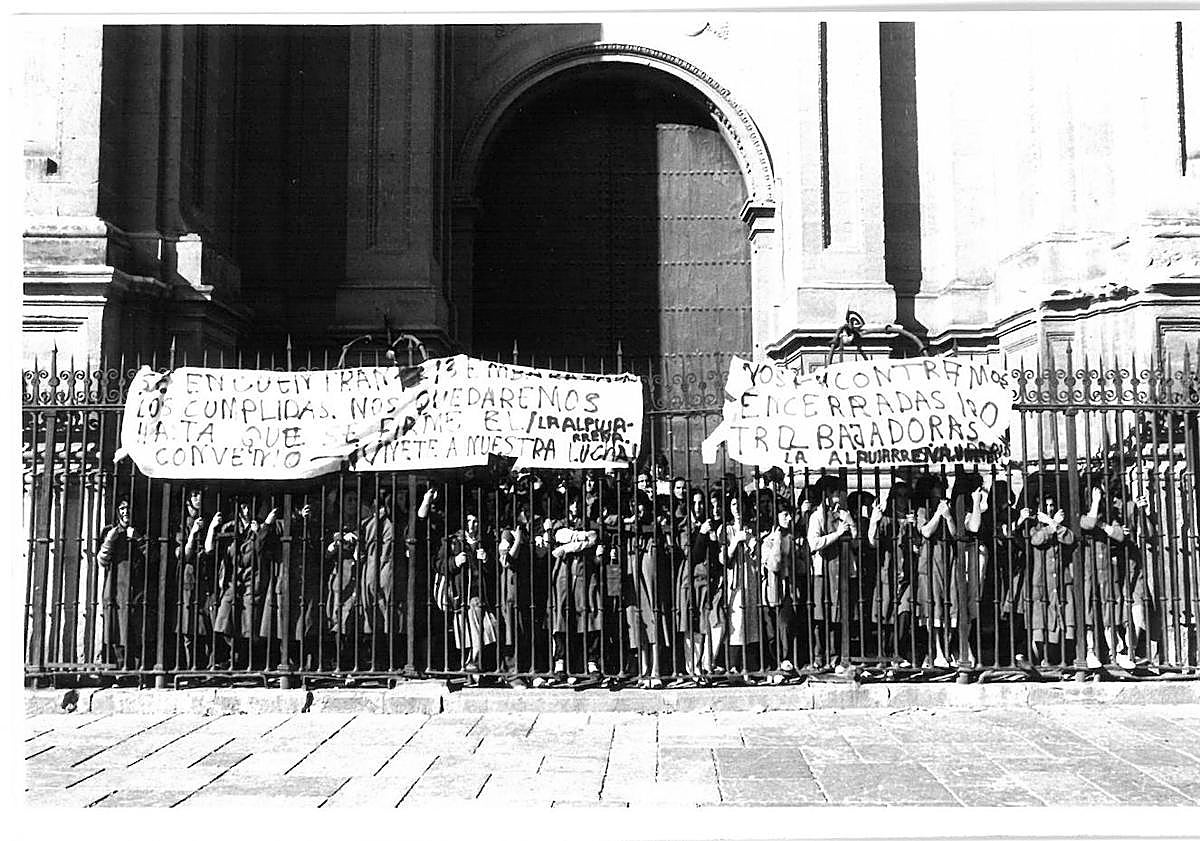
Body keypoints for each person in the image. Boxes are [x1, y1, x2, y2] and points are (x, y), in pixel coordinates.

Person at [209, 499, 275, 670]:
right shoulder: (230, 527)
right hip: (233, 580)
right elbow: (214, 550)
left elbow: (263, 553)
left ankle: (244, 662)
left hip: (252, 579)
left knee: (248, 622)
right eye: (244, 507)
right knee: (224, 617)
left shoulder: (261, 526)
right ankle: (230, 657)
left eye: (250, 507)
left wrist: (260, 532)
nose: (247, 511)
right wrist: (213, 529)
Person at [1021, 485, 1077, 667]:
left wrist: (1054, 524)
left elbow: (1070, 538)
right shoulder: (1032, 526)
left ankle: (1056, 660)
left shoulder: (1059, 525)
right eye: (1046, 506)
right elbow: (1036, 539)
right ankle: (1039, 660)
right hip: (1040, 582)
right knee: (1040, 622)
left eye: (1052, 505)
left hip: (1059, 582)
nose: (1050, 509)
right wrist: (1052, 526)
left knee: (1060, 620)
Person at [807, 475, 858, 672]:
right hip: (824, 571)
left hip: (843, 570)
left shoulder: (843, 515)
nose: (838, 497)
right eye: (835, 493)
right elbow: (814, 543)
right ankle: (820, 656)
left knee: (840, 614)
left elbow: (855, 543)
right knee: (822, 614)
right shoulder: (817, 516)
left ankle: (837, 656)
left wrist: (850, 523)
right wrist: (837, 534)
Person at [438, 511, 498, 675]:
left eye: (475, 521)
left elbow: (494, 569)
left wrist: (486, 559)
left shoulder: (484, 541)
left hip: (483, 594)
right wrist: (455, 562)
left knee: (486, 629)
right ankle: (472, 663)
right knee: (476, 632)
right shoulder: (453, 541)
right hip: (464, 595)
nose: (472, 525)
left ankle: (472, 664)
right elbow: (438, 564)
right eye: (469, 521)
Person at [868, 481, 917, 667]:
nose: (903, 500)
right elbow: (873, 542)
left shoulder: (912, 518)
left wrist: (913, 528)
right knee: (885, 614)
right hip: (888, 573)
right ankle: (883, 655)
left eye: (906, 496)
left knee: (904, 613)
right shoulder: (886, 519)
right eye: (899, 496)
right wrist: (874, 520)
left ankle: (898, 653)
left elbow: (918, 545)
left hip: (907, 574)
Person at [97, 496, 149, 669]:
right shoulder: (110, 531)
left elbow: (154, 558)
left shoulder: (142, 532)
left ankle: (137, 670)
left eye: (128, 508)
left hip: (137, 590)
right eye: (122, 508)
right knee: (116, 630)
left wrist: (139, 539)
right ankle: (119, 670)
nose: (126, 512)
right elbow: (102, 561)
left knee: (136, 631)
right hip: (116, 588)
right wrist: (109, 540)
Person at [914, 474, 957, 669]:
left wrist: (948, 516)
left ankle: (947, 649)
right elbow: (926, 531)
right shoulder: (923, 510)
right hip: (930, 560)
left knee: (950, 604)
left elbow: (955, 534)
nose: (942, 491)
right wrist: (939, 514)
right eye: (938, 487)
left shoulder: (949, 507)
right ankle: (936, 651)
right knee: (933, 606)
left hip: (948, 559)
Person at [171, 487, 212, 670]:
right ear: (187, 499)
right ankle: (190, 667)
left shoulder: (205, 520)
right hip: (187, 578)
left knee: (205, 623)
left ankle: (203, 667)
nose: (198, 497)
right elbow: (182, 555)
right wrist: (193, 533)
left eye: (199, 494)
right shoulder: (181, 523)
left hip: (205, 577)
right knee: (188, 624)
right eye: (194, 494)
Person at [759, 497, 797, 680]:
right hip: (771, 589)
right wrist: (776, 542)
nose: (789, 518)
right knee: (772, 630)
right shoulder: (768, 540)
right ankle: (774, 665)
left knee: (786, 624)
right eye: (785, 514)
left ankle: (786, 660)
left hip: (787, 587)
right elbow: (774, 565)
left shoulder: (791, 537)